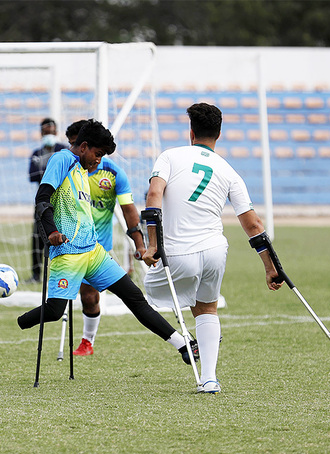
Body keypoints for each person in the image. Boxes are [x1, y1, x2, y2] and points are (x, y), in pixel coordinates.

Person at [17, 120, 196, 367]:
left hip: (94, 251)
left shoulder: (83, 170)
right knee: (55, 311)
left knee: (134, 297)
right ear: (83, 147)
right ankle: (22, 322)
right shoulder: (62, 160)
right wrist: (52, 231)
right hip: (68, 253)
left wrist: (139, 243)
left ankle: (184, 344)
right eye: (97, 154)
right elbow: (42, 199)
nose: (98, 161)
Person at [142, 103, 282, 394]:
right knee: (207, 308)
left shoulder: (170, 156)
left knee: (148, 296)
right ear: (219, 134)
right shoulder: (230, 171)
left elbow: (154, 194)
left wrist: (152, 244)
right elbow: (254, 225)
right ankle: (209, 379)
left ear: (191, 132)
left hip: (178, 253)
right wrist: (271, 268)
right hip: (215, 251)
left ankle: (183, 345)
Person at [64, 120, 146, 357]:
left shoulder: (112, 172)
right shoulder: (65, 167)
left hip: (98, 245)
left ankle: (87, 342)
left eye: (76, 144)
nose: (74, 150)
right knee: (66, 297)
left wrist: (138, 244)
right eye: (71, 144)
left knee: (90, 297)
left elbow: (129, 209)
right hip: (69, 243)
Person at [28, 117, 68, 283]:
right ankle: (36, 274)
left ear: (56, 132)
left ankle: (64, 272)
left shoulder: (63, 150)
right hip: (43, 200)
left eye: (51, 132)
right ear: (41, 133)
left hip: (62, 200)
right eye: (46, 132)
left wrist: (46, 172)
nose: (49, 134)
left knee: (62, 234)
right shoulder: (36, 154)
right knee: (37, 236)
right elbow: (31, 175)